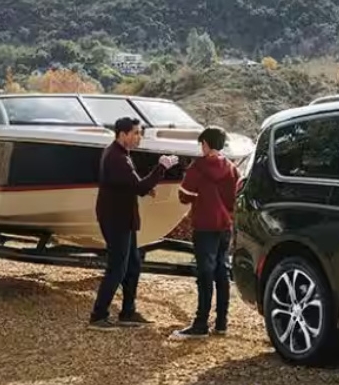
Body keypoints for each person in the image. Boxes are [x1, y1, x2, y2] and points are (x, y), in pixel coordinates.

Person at [89, 116, 178, 330]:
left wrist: (147, 189)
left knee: (133, 265)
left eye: (140, 133)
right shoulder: (116, 158)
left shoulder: (121, 154)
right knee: (117, 268)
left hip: (123, 218)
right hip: (116, 219)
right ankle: (98, 316)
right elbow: (138, 186)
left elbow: (131, 185)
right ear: (123, 134)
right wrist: (161, 167)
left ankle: (128, 312)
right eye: (136, 133)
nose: (139, 137)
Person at [171, 126, 240, 339]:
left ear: (206, 144)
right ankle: (221, 323)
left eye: (202, 144)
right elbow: (236, 196)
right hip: (225, 226)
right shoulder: (231, 168)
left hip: (204, 226)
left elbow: (184, 195)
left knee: (205, 274)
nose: (201, 148)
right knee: (222, 272)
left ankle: (200, 324)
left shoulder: (199, 167)